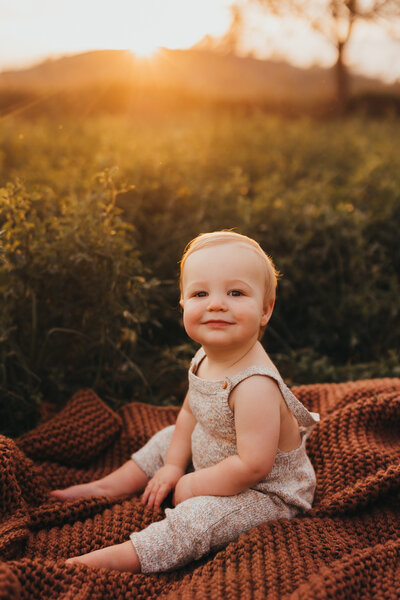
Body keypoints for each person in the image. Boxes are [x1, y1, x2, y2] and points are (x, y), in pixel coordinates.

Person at [52, 230, 319, 573]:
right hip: (219, 457)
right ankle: (106, 486)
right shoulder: (204, 356)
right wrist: (174, 466)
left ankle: (113, 559)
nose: (216, 303)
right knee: (167, 438)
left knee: (198, 518)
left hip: (264, 493)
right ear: (183, 303)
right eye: (200, 293)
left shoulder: (255, 385)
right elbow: (190, 411)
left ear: (265, 309)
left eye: (235, 292)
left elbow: (253, 466)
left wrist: (191, 483)